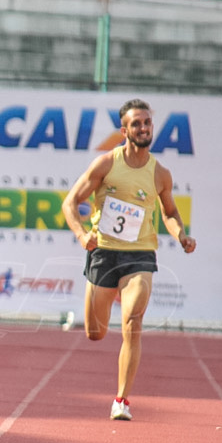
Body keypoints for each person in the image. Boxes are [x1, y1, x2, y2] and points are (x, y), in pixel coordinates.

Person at [61, 98, 196, 421]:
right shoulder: (105, 165)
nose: (144, 128)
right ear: (125, 130)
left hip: (140, 255)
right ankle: (106, 298)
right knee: (95, 333)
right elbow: (70, 203)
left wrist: (180, 234)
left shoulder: (160, 173)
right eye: (136, 124)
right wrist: (82, 236)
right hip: (104, 253)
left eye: (147, 123)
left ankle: (121, 400)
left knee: (133, 322)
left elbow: (170, 212)